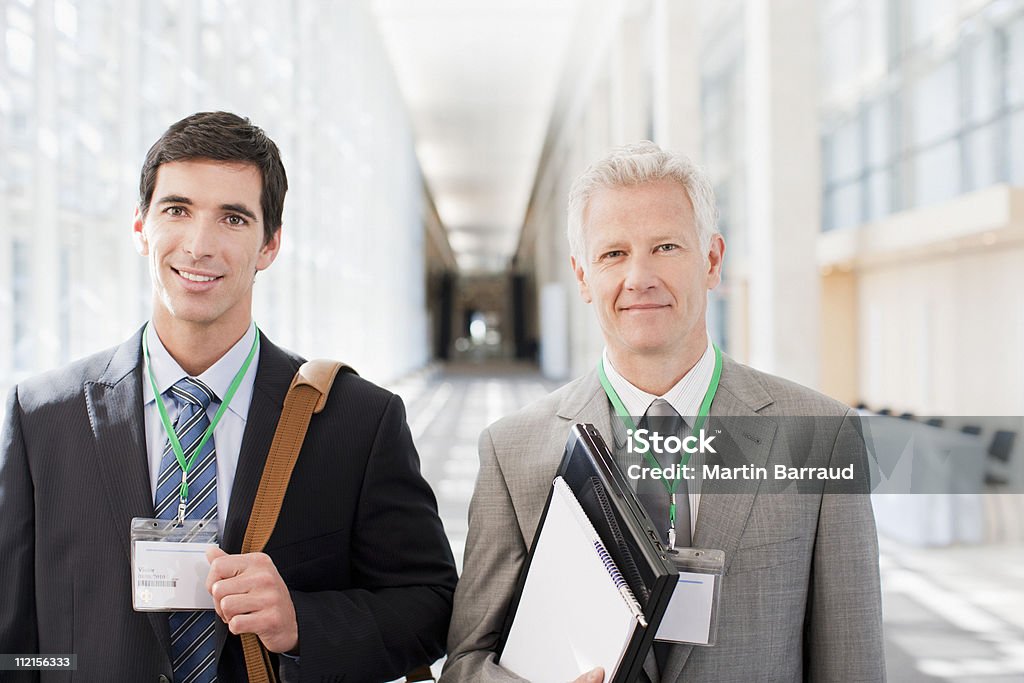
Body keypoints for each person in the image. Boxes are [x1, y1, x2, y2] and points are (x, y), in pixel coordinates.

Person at [0, 111, 458, 682]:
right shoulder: (44, 417)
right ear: (141, 228)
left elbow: (432, 604)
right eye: (177, 210)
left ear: (270, 245)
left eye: (233, 219)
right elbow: (14, 646)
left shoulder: (356, 421)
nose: (199, 245)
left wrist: (302, 622)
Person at [441, 142, 884, 682]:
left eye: (666, 247)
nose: (639, 277)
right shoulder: (512, 452)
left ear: (712, 261)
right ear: (583, 277)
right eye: (613, 254)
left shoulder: (820, 434)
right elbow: (466, 663)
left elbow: (852, 659)